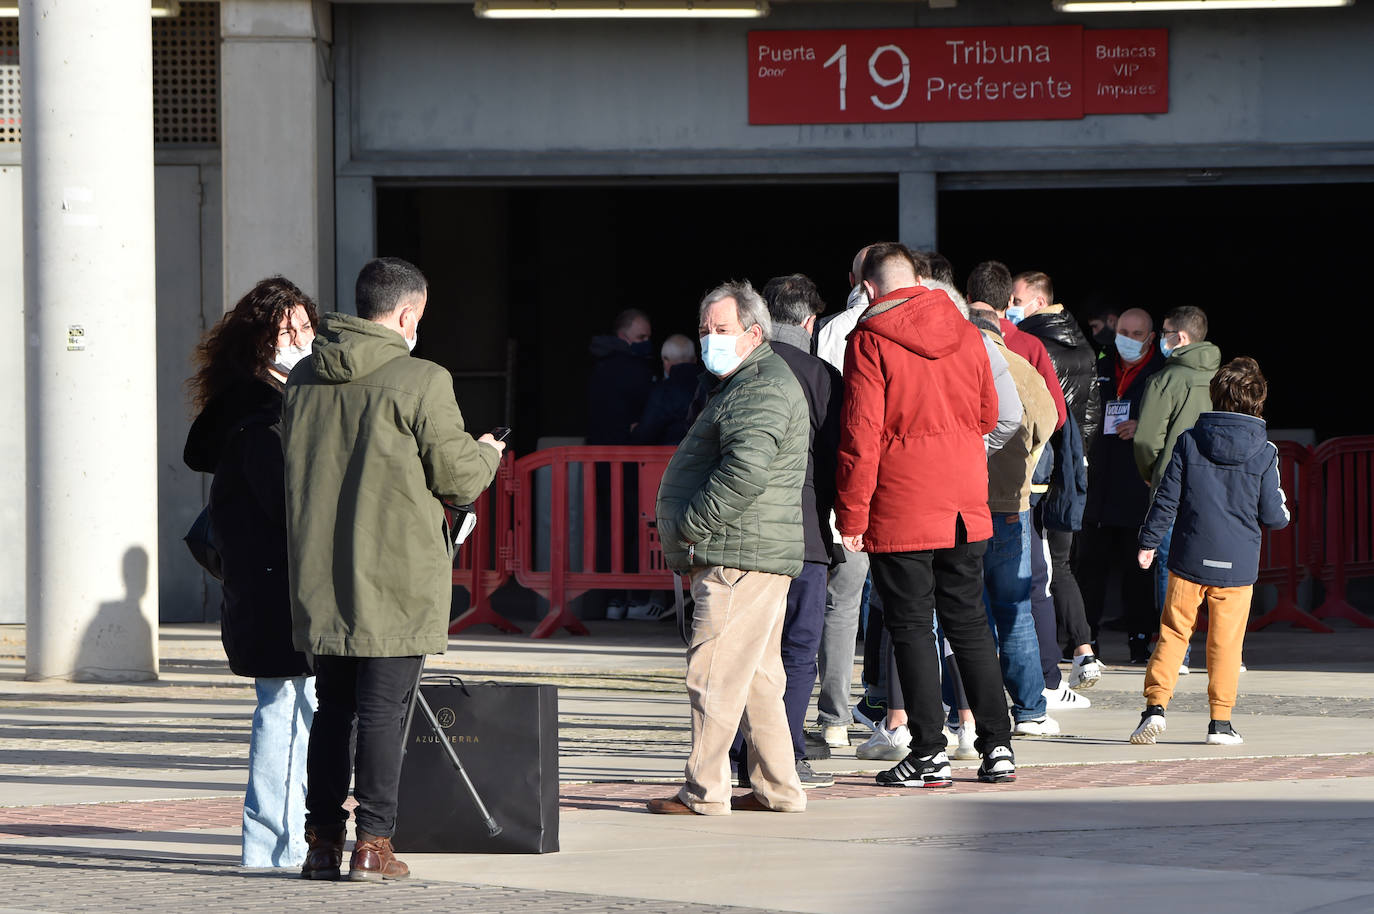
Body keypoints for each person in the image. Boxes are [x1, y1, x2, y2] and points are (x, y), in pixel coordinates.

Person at [285, 257, 505, 881]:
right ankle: (373, 845)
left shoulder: (302, 379)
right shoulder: (422, 379)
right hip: (397, 573)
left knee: (332, 710)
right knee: (383, 713)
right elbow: (457, 476)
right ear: (407, 315)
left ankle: (322, 842)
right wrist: (485, 454)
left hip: (321, 572)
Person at [835, 243, 1017, 788]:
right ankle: (997, 746)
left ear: (869, 288)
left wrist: (851, 516)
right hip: (964, 501)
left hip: (903, 503)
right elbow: (989, 413)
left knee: (911, 627)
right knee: (970, 624)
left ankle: (928, 752)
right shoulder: (967, 331)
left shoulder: (869, 339)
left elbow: (860, 436)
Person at [648, 280, 809, 816]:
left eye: (721, 330)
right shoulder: (747, 381)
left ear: (754, 333)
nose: (709, 339)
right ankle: (779, 788)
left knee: (712, 672)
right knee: (759, 679)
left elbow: (745, 470)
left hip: (738, 554)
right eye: (704, 330)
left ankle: (704, 791)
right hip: (750, 551)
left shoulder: (759, 386)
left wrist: (693, 526)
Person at [183, 277, 319, 869]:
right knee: (286, 713)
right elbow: (286, 511)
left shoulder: (274, 406)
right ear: (258, 342)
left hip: (271, 591)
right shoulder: (262, 418)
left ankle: (278, 845)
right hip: (277, 593)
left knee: (295, 711)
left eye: (304, 328)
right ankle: (272, 850)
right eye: (283, 331)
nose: (296, 340)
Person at [1131, 357, 1288, 746]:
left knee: (1172, 633)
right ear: (1258, 401)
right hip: (1238, 565)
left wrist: (1149, 541)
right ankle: (1220, 723)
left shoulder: (1188, 440)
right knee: (1226, 644)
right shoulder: (1265, 451)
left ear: (1215, 396)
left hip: (1188, 558)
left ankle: (1154, 709)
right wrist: (1284, 510)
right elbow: (1274, 514)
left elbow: (1167, 498)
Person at [727, 273, 843, 788]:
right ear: (811, 322)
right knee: (797, 650)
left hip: (740, 533)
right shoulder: (823, 376)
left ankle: (734, 756)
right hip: (805, 534)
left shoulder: (731, 371)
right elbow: (841, 457)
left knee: (741, 649)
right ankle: (786, 754)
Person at [1010, 270, 1103, 707]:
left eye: (1016, 297)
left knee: (1037, 574)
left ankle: (1047, 679)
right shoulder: (1083, 345)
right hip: (1069, 468)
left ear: (1037, 301)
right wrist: (1080, 459)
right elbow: (1092, 411)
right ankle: (1082, 651)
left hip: (1037, 470)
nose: (1011, 304)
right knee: (1057, 565)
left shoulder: (1029, 344)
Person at [968, 307, 1061, 739]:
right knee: (1015, 608)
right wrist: (1026, 462)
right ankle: (1030, 710)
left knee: (968, 613)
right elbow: (1051, 420)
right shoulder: (1022, 368)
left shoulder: (960, 361)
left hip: (966, 499)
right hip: (1011, 503)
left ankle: (963, 711)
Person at [1133, 305, 1222, 662]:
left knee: (1172, 568)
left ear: (1180, 338)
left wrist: (1152, 472)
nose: (1162, 340)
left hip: (1174, 484)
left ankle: (1177, 652)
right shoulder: (1224, 377)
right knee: (1220, 567)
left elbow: (1145, 440)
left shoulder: (1164, 380)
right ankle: (1226, 651)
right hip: (1219, 488)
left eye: (1166, 331)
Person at [1077, 308, 1166, 660]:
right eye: (1123, 331)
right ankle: (1086, 640)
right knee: (1090, 569)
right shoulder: (1100, 365)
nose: (1127, 339)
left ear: (1151, 337)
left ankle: (1139, 640)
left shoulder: (1161, 371)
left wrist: (1141, 425)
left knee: (1138, 571)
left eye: (1136, 333)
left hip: (1136, 483)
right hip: (1098, 481)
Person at [588, 308, 657, 619]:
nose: (646, 344)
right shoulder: (635, 370)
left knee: (609, 528)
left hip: (602, 463)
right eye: (641, 337)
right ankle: (633, 598)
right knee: (635, 528)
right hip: (631, 464)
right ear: (623, 336)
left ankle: (612, 599)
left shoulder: (597, 365)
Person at [630, 334, 700, 447]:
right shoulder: (710, 386)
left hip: (670, 460)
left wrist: (636, 430)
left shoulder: (664, 391)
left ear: (666, 361)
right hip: (707, 460)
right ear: (695, 360)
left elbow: (646, 434)